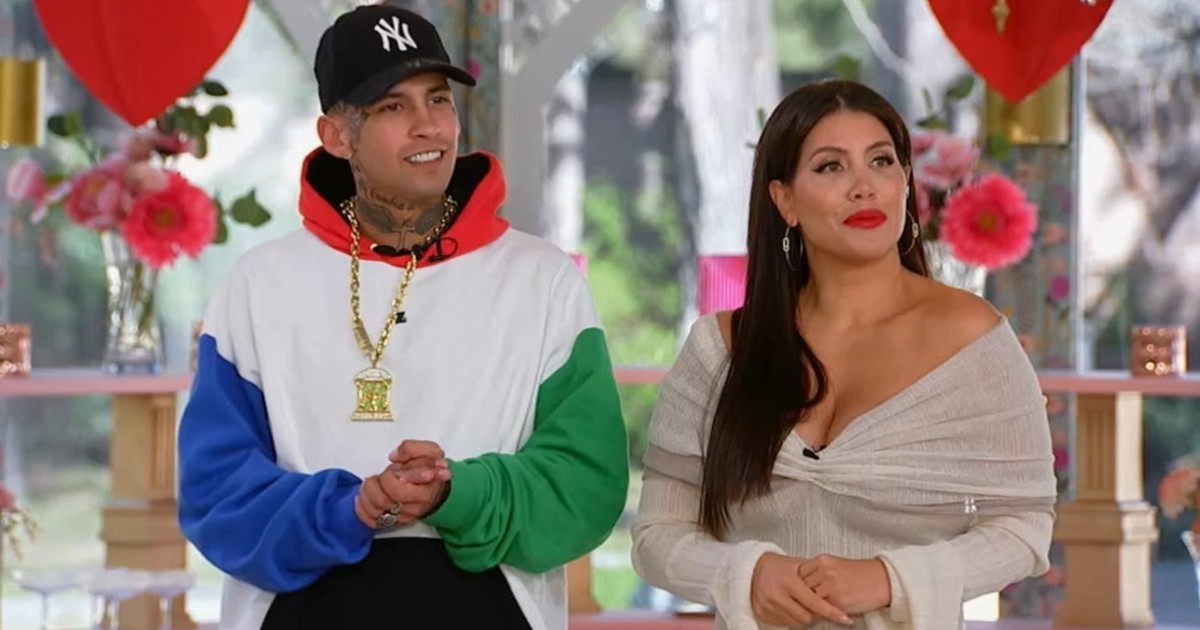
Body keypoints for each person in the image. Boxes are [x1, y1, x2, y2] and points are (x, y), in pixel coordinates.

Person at [177, 5, 629, 629]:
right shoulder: (257, 286)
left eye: (438, 99)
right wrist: (350, 508)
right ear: (337, 136)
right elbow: (216, 492)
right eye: (393, 106)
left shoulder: (543, 281)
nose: (428, 126)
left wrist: (456, 493)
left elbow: (585, 484)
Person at [630, 80, 1057, 630]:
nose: (864, 187)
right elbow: (657, 537)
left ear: (906, 181)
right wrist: (746, 573)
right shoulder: (720, 349)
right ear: (784, 200)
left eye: (881, 161)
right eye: (830, 167)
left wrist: (887, 579)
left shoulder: (972, 339)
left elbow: (1024, 528)